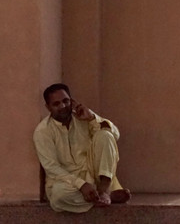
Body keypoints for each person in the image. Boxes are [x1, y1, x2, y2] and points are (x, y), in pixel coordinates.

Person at [34, 83, 131, 213]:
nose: (62, 106)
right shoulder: (43, 132)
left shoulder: (83, 118)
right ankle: (107, 196)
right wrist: (81, 185)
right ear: (48, 107)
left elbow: (115, 135)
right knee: (58, 197)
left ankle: (103, 190)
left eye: (65, 101)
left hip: (92, 175)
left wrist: (91, 117)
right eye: (56, 104)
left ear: (72, 101)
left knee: (105, 135)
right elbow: (52, 168)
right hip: (67, 182)